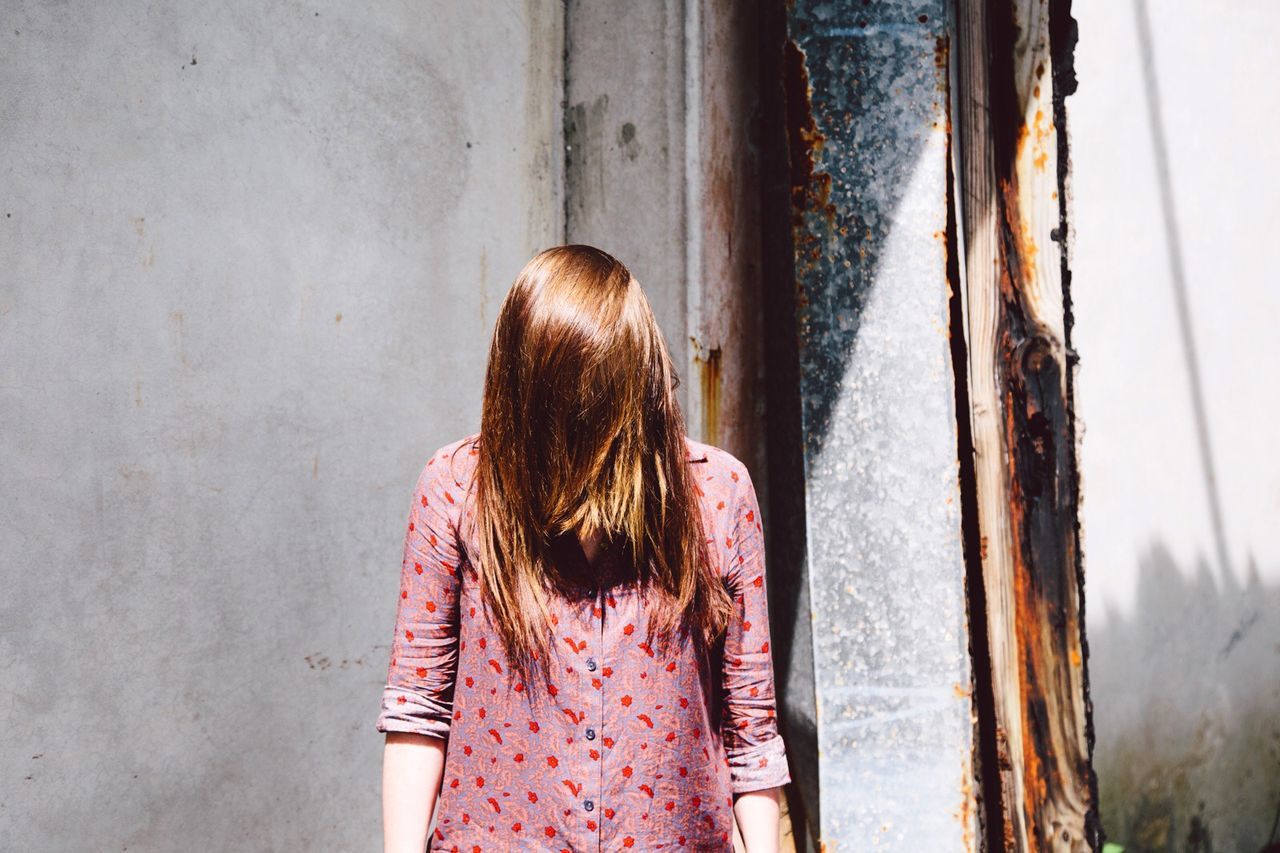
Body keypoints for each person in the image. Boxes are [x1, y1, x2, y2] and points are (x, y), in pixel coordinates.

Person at [376, 244, 791, 852]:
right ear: (528, 396)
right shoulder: (458, 485)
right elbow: (417, 707)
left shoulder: (717, 493)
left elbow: (751, 731)